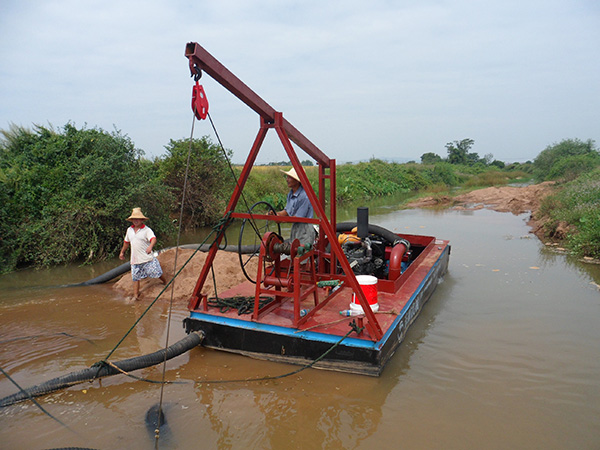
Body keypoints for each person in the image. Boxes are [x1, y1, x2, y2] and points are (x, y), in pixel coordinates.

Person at [119, 207, 167, 300]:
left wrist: (150, 247)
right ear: (132, 220)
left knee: (156, 272)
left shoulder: (146, 230)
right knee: (135, 278)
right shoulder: (129, 230)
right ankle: (136, 296)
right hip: (135, 259)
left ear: (141, 220)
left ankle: (165, 282)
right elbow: (126, 242)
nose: (136, 221)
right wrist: (122, 252)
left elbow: (153, 239)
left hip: (147, 258)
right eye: (134, 219)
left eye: (138, 219)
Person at [270, 167, 316, 246]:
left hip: (305, 230)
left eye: (290, 177)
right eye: (287, 177)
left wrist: (281, 220)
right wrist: (276, 214)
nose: (287, 179)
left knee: (302, 254)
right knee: (293, 252)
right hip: (295, 228)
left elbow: (298, 218)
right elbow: (287, 212)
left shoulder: (305, 196)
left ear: (297, 181)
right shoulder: (291, 194)